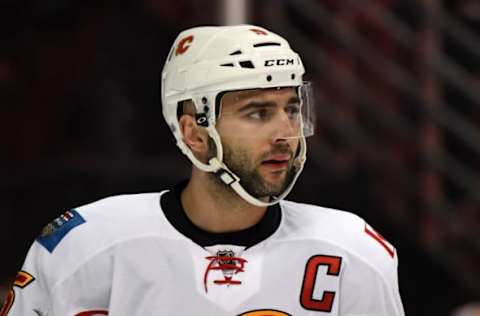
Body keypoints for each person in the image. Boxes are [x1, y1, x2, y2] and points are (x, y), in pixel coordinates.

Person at [3, 25, 404, 315]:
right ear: (193, 133)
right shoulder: (85, 247)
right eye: (258, 112)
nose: (286, 132)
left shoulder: (357, 252)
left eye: (292, 109)